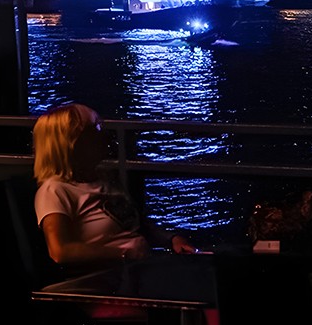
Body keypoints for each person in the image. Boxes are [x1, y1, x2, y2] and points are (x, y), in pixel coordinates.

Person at [33, 102, 196, 268]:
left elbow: (133, 224)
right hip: (107, 276)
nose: (104, 135)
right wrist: (123, 253)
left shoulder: (102, 179)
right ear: (72, 144)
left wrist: (171, 239)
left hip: (135, 267)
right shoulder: (55, 191)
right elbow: (60, 251)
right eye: (94, 130)